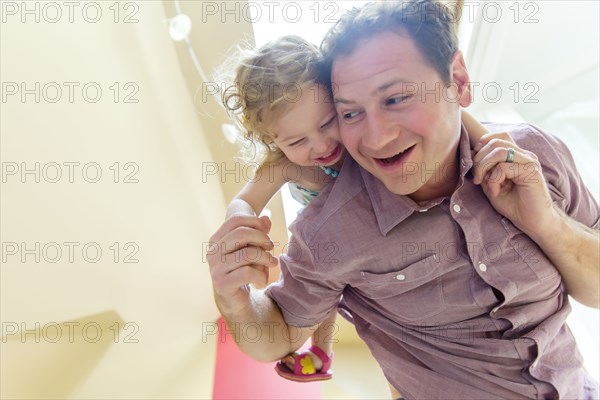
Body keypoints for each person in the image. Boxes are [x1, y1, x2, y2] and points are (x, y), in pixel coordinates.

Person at [208, 1, 600, 398]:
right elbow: (277, 335)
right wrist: (235, 298)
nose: (376, 139)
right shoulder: (325, 228)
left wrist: (547, 223)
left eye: (395, 99)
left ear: (458, 80)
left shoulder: (533, 156)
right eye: (351, 113)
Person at [219, 33, 489, 388]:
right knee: (324, 295)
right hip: (324, 228)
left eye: (327, 121)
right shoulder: (283, 165)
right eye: (297, 141)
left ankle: (323, 352)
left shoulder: (363, 133)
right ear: (274, 141)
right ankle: (323, 352)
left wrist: (488, 144)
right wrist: (240, 228)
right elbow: (245, 199)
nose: (320, 145)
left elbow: (457, 116)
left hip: (373, 227)